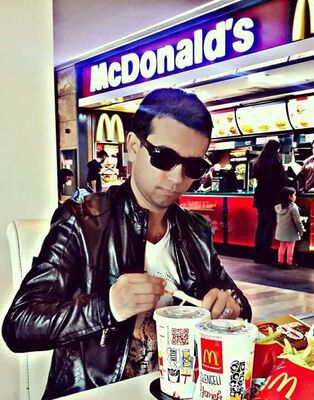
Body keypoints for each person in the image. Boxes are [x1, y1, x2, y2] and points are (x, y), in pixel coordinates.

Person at [2, 88, 251, 399]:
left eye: (193, 167)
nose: (177, 178)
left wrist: (228, 308)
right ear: (133, 146)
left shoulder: (195, 230)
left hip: (179, 389)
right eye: (164, 158)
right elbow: (19, 325)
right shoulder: (81, 221)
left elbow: (239, 304)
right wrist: (108, 306)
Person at [252, 139, 287, 263]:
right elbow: (282, 181)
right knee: (269, 226)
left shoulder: (258, 163)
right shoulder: (276, 164)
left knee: (261, 225)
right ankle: (266, 253)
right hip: (271, 197)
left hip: (260, 196)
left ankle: (258, 254)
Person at [274, 187, 305, 268]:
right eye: (294, 195)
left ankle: (280, 261)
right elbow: (297, 221)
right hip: (291, 232)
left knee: (282, 246)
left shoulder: (279, 207)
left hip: (281, 231)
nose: (295, 197)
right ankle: (289, 263)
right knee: (290, 247)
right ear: (289, 197)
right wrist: (301, 230)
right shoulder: (293, 207)